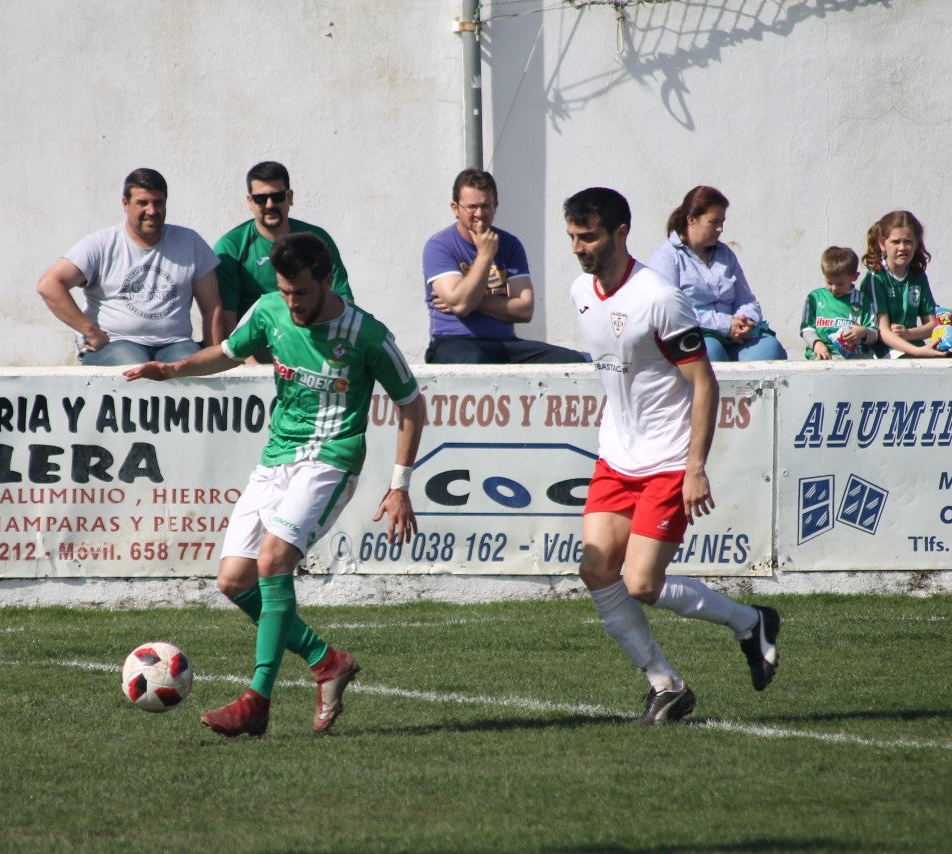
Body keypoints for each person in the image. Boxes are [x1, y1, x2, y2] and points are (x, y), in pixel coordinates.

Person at [124, 232, 425, 737]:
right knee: (234, 581)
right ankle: (328, 661)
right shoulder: (269, 310)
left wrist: (400, 485)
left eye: (301, 293)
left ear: (327, 281)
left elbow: (412, 404)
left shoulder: (366, 334)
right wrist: (173, 369)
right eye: (285, 292)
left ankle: (256, 701)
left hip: (331, 460)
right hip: (277, 459)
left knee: (272, 561)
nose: (292, 302)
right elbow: (226, 351)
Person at [563, 187, 781, 725]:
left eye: (588, 236)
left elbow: (703, 382)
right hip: (615, 457)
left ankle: (750, 621)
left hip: (665, 461)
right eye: (572, 237)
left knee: (640, 584)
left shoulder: (659, 296)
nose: (578, 247)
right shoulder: (580, 291)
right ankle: (666, 685)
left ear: (620, 234)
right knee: (595, 568)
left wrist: (694, 466)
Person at [36, 168, 222, 366]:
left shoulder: (189, 242)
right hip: (117, 343)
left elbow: (212, 307)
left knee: (192, 366)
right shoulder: (101, 244)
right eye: (142, 203)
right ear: (125, 204)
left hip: (175, 344)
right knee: (135, 369)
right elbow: (49, 284)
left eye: (158, 202)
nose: (151, 211)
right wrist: (90, 331)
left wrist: (214, 360)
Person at [422, 168, 585, 364]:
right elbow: (462, 305)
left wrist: (473, 300)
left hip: (504, 343)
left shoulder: (510, 244)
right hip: (455, 343)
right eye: (471, 207)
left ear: (496, 205)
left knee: (571, 360)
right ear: (455, 208)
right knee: (477, 362)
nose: (480, 214)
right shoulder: (440, 245)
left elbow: (525, 310)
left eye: (486, 206)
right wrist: (485, 255)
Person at [213, 160, 352, 343]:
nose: (270, 205)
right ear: (250, 201)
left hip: (313, 339)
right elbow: (227, 318)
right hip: (257, 344)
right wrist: (251, 367)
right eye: (261, 199)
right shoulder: (231, 247)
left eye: (277, 196)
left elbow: (344, 301)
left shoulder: (316, 239)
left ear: (290, 197)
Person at [648, 186, 787, 362]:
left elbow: (746, 299)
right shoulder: (668, 256)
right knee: (710, 351)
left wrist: (746, 321)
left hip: (736, 335)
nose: (720, 229)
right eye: (714, 222)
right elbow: (670, 311)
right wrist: (724, 324)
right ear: (691, 220)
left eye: (722, 222)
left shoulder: (725, 253)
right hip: (695, 334)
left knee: (769, 349)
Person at [860, 210, 950, 358]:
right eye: (895, 242)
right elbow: (883, 332)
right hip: (886, 352)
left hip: (916, 347)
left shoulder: (918, 276)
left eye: (908, 241)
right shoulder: (875, 278)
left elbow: (933, 325)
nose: (902, 247)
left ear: (916, 244)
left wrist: (908, 334)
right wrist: (917, 351)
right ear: (882, 244)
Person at [800, 247, 879, 360]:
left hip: (855, 357)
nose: (834, 288)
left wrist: (862, 332)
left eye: (840, 284)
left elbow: (874, 335)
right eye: (829, 282)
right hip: (823, 355)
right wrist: (817, 343)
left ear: (854, 277)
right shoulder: (815, 298)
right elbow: (806, 329)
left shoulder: (863, 300)